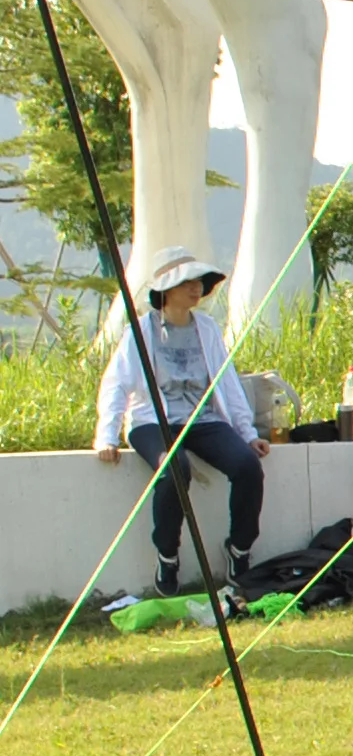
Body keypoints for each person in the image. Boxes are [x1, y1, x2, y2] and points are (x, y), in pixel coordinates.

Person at [93, 246, 267, 602]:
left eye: (199, 282)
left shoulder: (206, 328)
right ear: (166, 290)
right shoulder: (140, 331)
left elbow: (227, 381)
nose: (196, 289)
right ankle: (168, 555)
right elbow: (117, 383)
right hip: (151, 420)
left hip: (202, 419)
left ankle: (239, 548)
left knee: (248, 467)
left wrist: (247, 433)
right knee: (175, 467)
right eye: (186, 282)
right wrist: (106, 435)